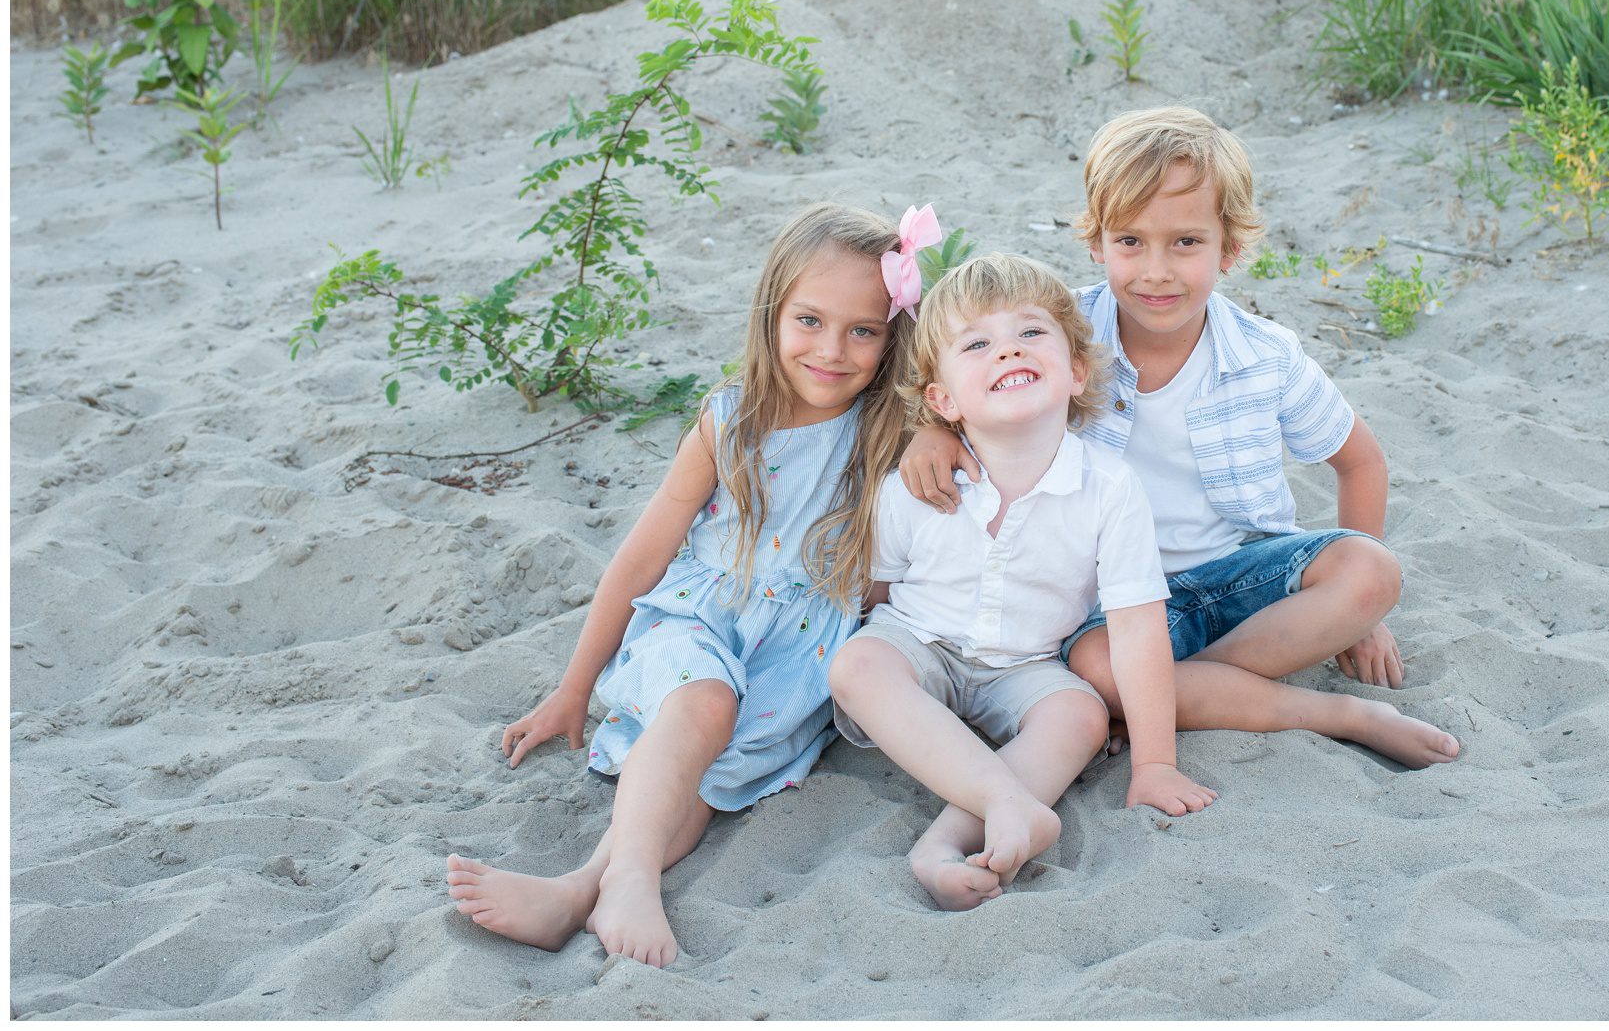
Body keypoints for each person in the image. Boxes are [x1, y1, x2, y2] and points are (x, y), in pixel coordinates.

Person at [901, 108, 1459, 770]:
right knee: (1096, 663)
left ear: (1230, 247)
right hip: (1114, 606)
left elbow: (1360, 461)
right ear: (1097, 242)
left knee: (1371, 571)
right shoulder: (1055, 335)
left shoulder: (1264, 357)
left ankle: (1157, 702)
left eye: (1186, 243)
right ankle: (1332, 714)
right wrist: (932, 433)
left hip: (1239, 581)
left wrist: (1360, 621)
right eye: (1130, 242)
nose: (1156, 271)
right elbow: (972, 381)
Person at [445, 201, 927, 967]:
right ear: (772, 314)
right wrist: (574, 686)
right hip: (701, 618)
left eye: (864, 330)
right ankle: (631, 879)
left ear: (894, 335)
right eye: (809, 320)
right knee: (703, 701)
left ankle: (578, 891)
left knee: (705, 782)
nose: (832, 349)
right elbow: (640, 558)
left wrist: (931, 426)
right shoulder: (729, 422)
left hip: (795, 653)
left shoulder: (892, 430)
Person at [829, 252, 1215, 912]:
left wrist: (1153, 762)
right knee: (859, 664)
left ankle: (944, 842)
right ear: (943, 400)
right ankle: (1007, 801)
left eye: (1031, 333)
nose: (1008, 351)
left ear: (1076, 370)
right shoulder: (915, 487)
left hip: (1030, 665)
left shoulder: (1109, 488)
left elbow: (1137, 628)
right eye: (978, 344)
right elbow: (877, 592)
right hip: (923, 641)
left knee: (1081, 713)